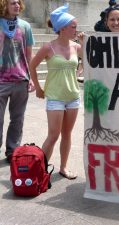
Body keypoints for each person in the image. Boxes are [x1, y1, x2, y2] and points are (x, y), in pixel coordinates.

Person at [29, 3, 82, 179]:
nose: (76, 29)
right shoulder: (48, 47)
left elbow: (90, 64)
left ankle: (63, 167)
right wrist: (38, 87)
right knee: (53, 135)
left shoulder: (76, 46)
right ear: (62, 28)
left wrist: (83, 46)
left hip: (73, 96)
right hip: (55, 97)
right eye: (73, 26)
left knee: (67, 134)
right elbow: (32, 66)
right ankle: (39, 171)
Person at [0, 0, 35, 163]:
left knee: (18, 119)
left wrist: (31, 78)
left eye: (18, 3)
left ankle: (12, 150)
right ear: (3, 5)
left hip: (20, 79)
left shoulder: (25, 26)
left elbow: (29, 54)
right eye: (13, 3)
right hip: (1, 80)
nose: (17, 6)